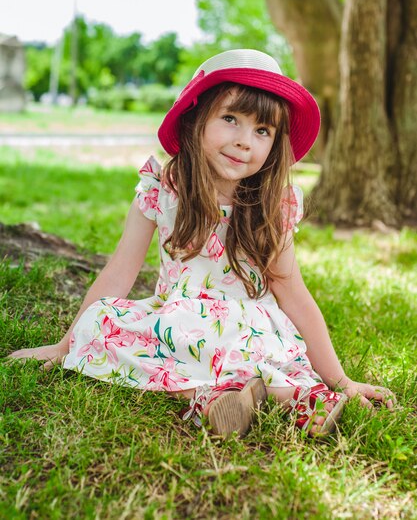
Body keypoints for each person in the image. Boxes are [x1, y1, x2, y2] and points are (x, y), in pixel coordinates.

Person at [9, 49, 394, 438]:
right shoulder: (162, 189)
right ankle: (253, 397)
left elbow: (293, 292)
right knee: (100, 322)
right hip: (198, 329)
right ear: (196, 119)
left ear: (275, 144)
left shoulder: (270, 205)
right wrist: (65, 344)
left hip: (235, 330)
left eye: (263, 131)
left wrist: (341, 378)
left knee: (227, 353)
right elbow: (119, 273)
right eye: (231, 119)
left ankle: (242, 395)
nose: (245, 142)